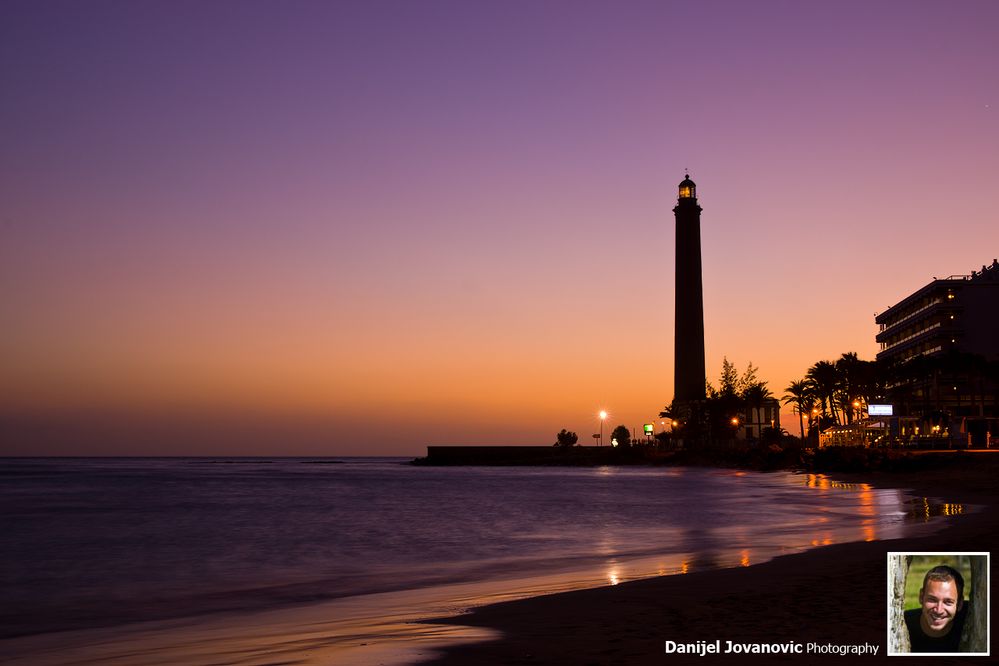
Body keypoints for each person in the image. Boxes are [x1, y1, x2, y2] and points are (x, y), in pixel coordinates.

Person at [904, 565, 967, 652]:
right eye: (932, 600)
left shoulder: (974, 619)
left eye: (948, 602)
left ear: (960, 604)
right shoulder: (902, 624)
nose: (939, 610)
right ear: (921, 597)